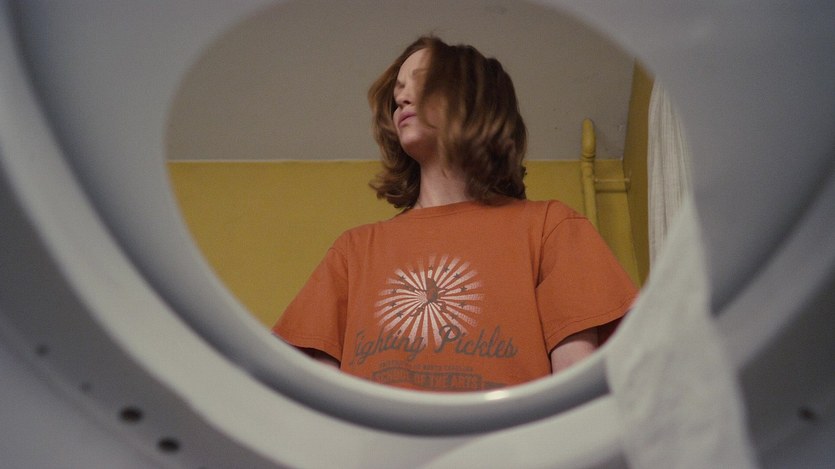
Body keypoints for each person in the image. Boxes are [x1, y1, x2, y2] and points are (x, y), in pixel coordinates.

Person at [273, 36, 637, 392]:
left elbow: (578, 385)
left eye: (421, 82)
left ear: (472, 98)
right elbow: (315, 398)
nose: (401, 98)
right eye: (398, 91)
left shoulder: (550, 227)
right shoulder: (353, 250)